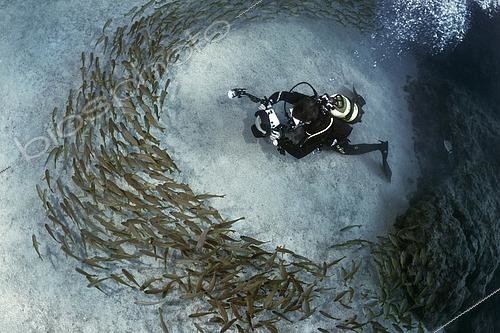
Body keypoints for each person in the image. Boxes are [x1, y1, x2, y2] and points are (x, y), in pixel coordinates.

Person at [258, 89, 392, 182]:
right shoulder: (309, 101)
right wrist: (268, 102)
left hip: (338, 133)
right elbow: (283, 95)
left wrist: (282, 141)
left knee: (345, 150)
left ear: (308, 122)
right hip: (329, 117)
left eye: (299, 120)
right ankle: (357, 105)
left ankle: (380, 146)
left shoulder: (320, 129)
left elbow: (300, 153)